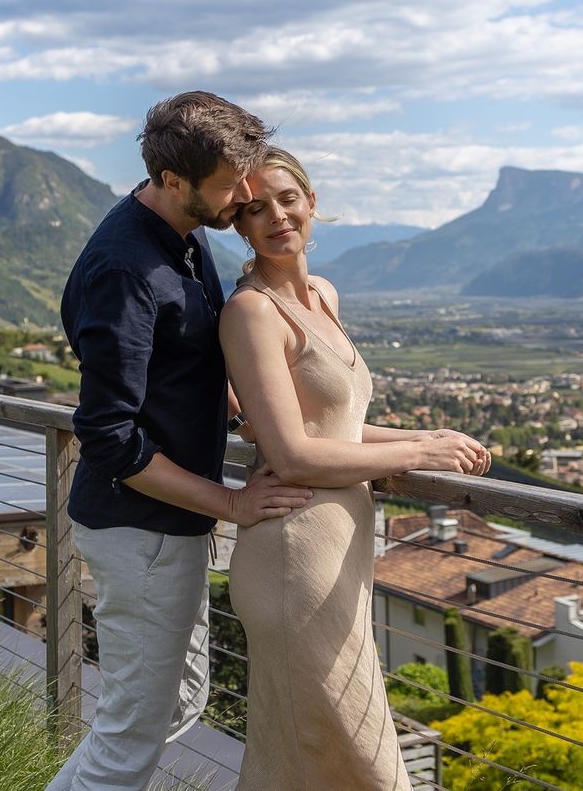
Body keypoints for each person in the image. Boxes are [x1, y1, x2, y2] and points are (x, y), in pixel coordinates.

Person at [48, 94, 314, 791]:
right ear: (172, 179)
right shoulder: (127, 268)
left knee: (177, 700)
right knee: (130, 737)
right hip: (141, 531)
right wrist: (229, 503)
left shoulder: (185, 235)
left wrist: (246, 406)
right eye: (231, 186)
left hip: (171, 527)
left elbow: (180, 357)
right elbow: (109, 436)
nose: (245, 198)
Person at [219, 148, 491, 791]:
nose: (276, 217)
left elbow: (333, 426)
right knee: (361, 762)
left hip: (341, 557)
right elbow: (291, 454)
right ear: (239, 225)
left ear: (311, 204)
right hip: (294, 558)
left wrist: (426, 435)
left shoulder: (322, 295)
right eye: (255, 208)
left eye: (287, 199)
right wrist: (416, 455)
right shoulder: (252, 313)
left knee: (303, 759)